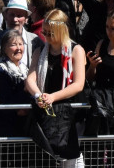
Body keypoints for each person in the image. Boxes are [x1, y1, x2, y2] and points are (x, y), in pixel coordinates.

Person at [25, 10, 86, 167]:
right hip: (46, 111)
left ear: (61, 31)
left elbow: (79, 84)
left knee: (70, 158)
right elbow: (30, 79)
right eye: (44, 32)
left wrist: (53, 97)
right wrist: (38, 95)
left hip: (69, 114)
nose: (45, 36)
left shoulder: (76, 50)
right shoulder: (40, 51)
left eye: (50, 33)